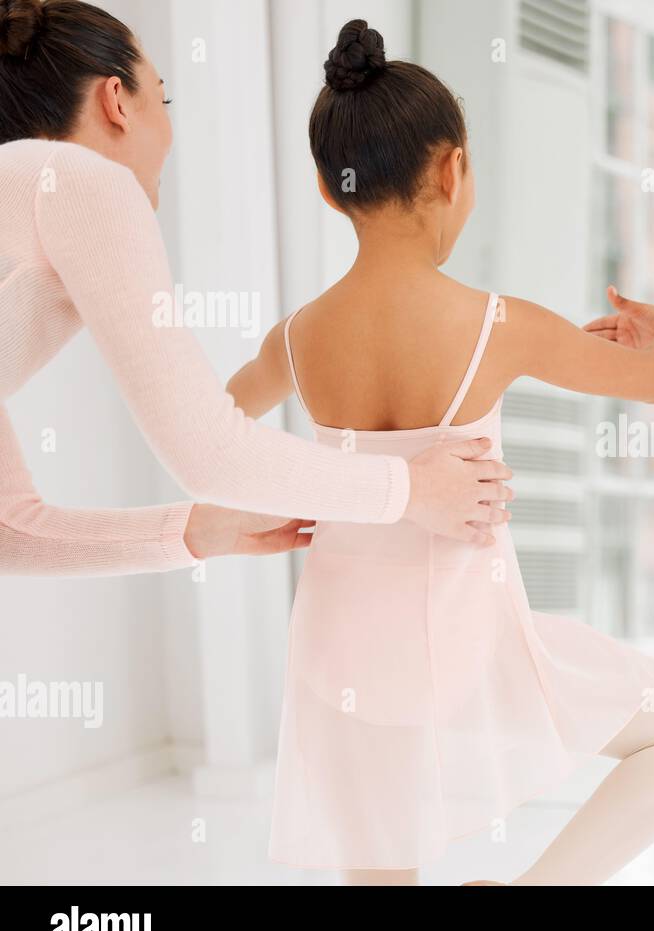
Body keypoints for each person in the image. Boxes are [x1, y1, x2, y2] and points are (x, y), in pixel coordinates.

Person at [225, 20, 654, 886]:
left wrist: (318, 485)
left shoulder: (296, 339)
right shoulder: (499, 326)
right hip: (469, 653)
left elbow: (213, 432)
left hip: (341, 662)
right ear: (453, 171)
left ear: (327, 189)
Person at [0, 0, 511, 578]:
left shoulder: (37, 209)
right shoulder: (84, 184)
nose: (168, 129)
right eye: (162, 97)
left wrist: (196, 533)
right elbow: (209, 451)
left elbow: (9, 532)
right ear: (116, 100)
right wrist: (410, 489)